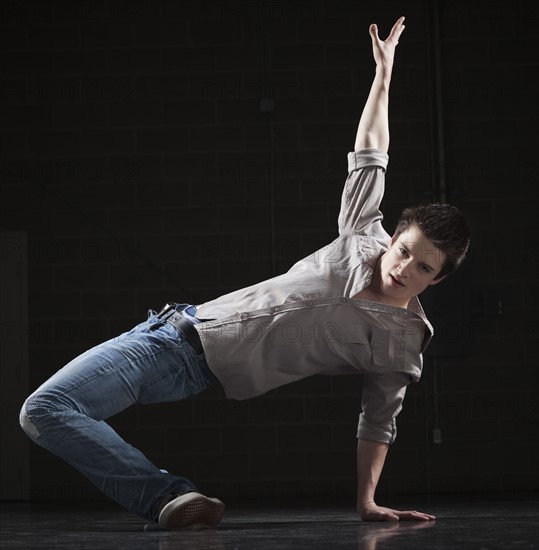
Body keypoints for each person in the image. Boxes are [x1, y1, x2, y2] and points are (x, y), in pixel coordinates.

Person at [19, 16, 469, 529]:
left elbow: (379, 421)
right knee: (47, 411)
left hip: (194, 369)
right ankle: (168, 498)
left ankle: (168, 496)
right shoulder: (362, 234)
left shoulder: (402, 344)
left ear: (437, 280)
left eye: (423, 267)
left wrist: (366, 503)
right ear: (395, 238)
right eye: (405, 251)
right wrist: (383, 75)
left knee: (45, 409)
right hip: (171, 334)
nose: (404, 267)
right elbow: (371, 152)